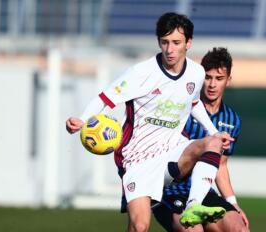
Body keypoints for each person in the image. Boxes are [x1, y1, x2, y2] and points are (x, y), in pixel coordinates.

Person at [66, 12, 234, 232]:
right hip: (138, 159)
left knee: (212, 142)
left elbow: (193, 104)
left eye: (176, 43)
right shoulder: (141, 73)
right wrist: (82, 118)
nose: (170, 49)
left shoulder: (196, 73)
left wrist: (214, 131)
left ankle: (193, 206)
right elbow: (105, 97)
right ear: (159, 42)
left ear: (188, 43)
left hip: (172, 152)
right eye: (164, 42)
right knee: (140, 226)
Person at [153, 47, 250, 231]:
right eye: (207, 77)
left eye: (219, 78)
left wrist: (233, 203)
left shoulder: (232, 120)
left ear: (228, 80)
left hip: (204, 193)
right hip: (170, 191)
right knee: (194, 229)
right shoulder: (180, 109)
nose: (212, 84)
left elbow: (220, 165)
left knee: (239, 228)